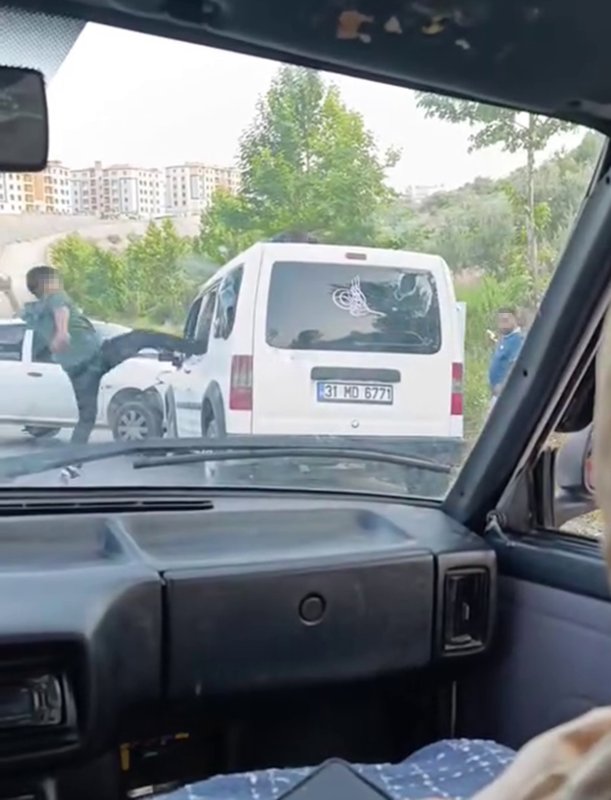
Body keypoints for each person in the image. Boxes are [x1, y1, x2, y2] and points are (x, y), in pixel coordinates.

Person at [0, 266, 200, 479]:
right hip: (99, 357)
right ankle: (195, 347)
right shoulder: (55, 297)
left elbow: (19, 313)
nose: (59, 283)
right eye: (55, 280)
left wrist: (8, 291)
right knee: (142, 337)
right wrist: (62, 332)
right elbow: (62, 311)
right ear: (47, 284)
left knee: (86, 418)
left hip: (78, 372)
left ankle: (71, 467)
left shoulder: (35, 312)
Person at [488, 307, 525, 409]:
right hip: (497, 393)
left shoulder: (517, 340)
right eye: (500, 321)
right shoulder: (506, 340)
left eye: (506, 320)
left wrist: (504, 385)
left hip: (505, 394)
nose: (502, 324)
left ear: (515, 320)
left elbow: (514, 365)